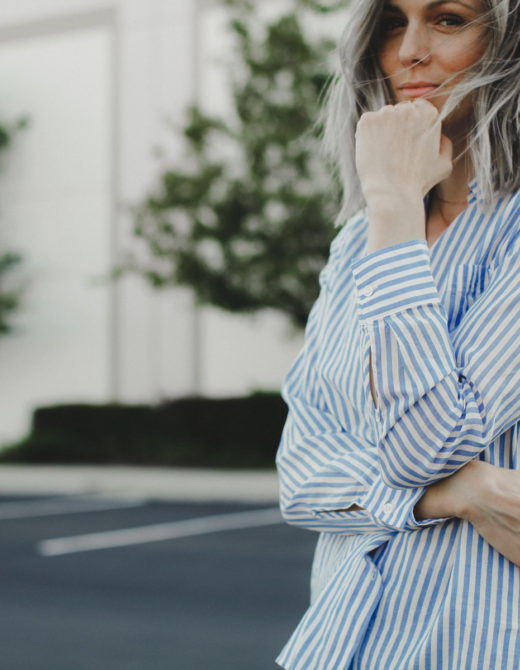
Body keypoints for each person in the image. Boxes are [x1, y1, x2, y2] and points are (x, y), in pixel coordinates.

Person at [275, 0, 520, 668]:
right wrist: (453, 495)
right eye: (391, 22)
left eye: (447, 19)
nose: (408, 50)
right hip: (339, 648)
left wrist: (391, 206)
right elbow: (301, 481)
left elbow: (426, 442)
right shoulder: (358, 242)